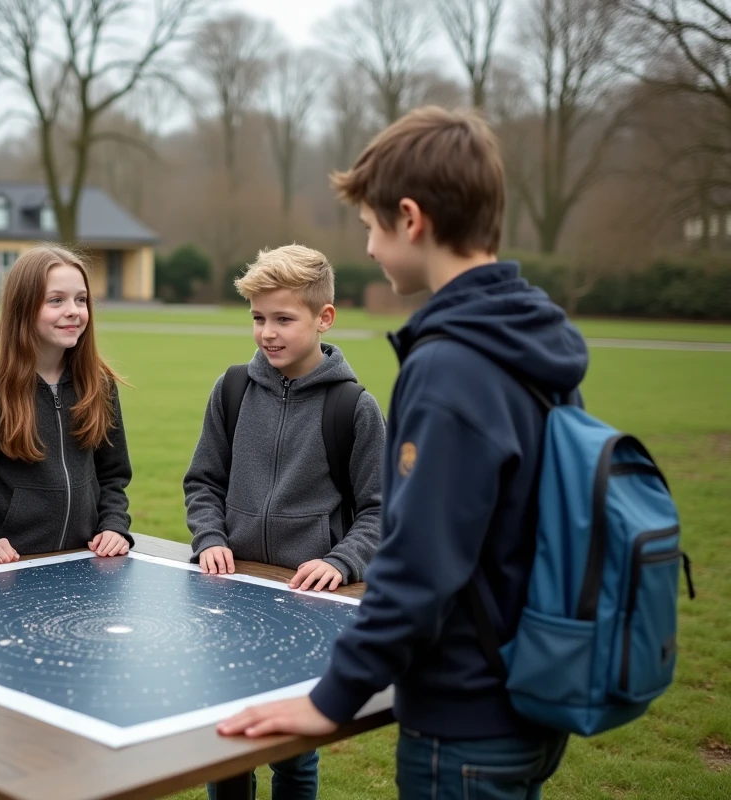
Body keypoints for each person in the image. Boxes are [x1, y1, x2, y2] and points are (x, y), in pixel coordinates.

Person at [218, 106, 587, 800]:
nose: (368, 249)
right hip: (534, 689)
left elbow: (418, 564)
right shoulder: (532, 335)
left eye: (370, 227)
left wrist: (331, 697)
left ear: (410, 219)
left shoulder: (452, 362)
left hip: (467, 719)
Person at [184, 244, 385, 800]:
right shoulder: (231, 390)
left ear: (324, 318)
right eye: (257, 318)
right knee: (227, 745)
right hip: (229, 595)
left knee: (293, 753)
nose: (267, 332)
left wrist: (340, 559)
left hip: (307, 603)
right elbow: (203, 482)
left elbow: (380, 509)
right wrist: (210, 538)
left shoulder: (355, 408)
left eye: (283, 319)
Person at [0, 246, 133, 564]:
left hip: (83, 564)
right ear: (22, 307)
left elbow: (113, 475)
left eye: (81, 299)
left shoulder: (98, 384)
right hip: (8, 569)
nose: (73, 310)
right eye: (56, 300)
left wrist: (113, 525)